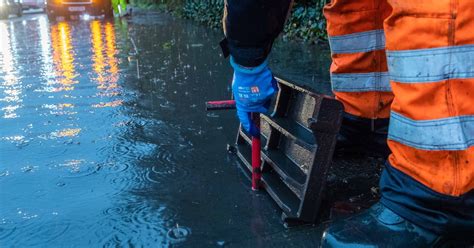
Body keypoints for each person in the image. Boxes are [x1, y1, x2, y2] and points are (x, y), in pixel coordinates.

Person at [220, 0, 474, 246]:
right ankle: (366, 118)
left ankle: (441, 190)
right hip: (368, 117)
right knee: (356, 5)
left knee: (436, 9)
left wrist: (247, 60)